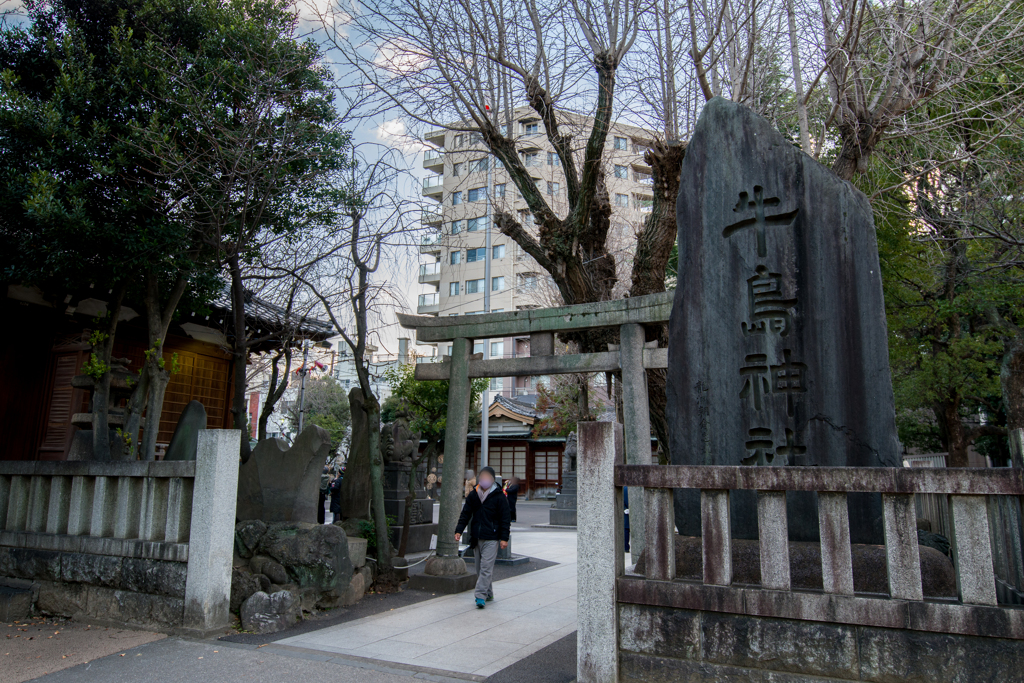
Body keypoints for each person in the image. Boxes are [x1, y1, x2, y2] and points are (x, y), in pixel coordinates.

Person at [455, 466, 510, 608]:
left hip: (492, 537)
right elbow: (465, 513)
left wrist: (504, 538)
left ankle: (480, 596)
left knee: (486, 568)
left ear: (492, 479)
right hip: (476, 537)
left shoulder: (499, 496)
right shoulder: (474, 495)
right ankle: (489, 592)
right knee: (480, 568)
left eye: (487, 477)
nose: (484, 479)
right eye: (482, 476)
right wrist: (459, 530)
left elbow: (505, 518)